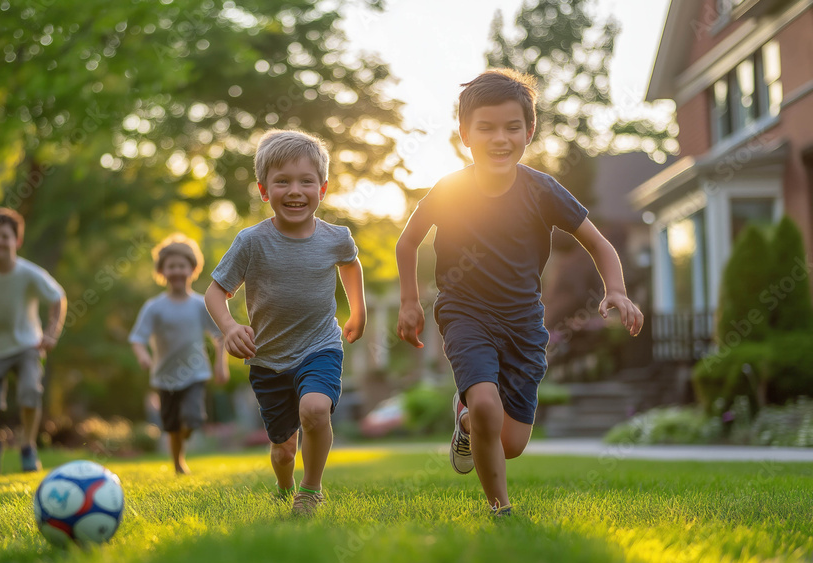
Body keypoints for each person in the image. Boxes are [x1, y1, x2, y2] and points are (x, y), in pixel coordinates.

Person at [395, 69, 644, 517]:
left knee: (510, 443)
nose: (500, 138)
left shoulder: (542, 190)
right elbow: (407, 241)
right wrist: (411, 302)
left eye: (512, 127)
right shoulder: (449, 190)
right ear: (464, 134)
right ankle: (500, 510)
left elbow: (598, 242)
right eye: (486, 128)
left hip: (525, 324)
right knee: (488, 403)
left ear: (529, 131)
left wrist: (618, 291)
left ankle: (466, 420)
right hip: (465, 313)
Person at [205, 129, 366, 516]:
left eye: (306, 181)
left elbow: (351, 264)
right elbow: (214, 293)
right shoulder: (251, 242)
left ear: (322, 188)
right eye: (283, 182)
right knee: (283, 449)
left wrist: (358, 310)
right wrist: (229, 328)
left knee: (314, 409)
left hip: (320, 345)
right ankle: (285, 483)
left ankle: (310, 491)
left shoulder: (336, 237)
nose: (295, 190)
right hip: (268, 359)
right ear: (264, 190)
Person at [0, 207, 67, 475]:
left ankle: (28, 446)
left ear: (16, 241)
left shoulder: (29, 273)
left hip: (27, 343)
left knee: (30, 391)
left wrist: (52, 333)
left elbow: (58, 298)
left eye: (5, 236)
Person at [129, 233, 229, 475]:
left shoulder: (200, 304)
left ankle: (188, 432)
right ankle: (177, 463)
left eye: (181, 265)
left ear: (192, 269)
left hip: (196, 372)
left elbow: (220, 335)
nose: (176, 271)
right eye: (170, 266)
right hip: (165, 377)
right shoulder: (154, 307)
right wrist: (143, 355)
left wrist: (221, 365)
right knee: (172, 425)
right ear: (162, 270)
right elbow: (137, 338)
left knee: (192, 417)